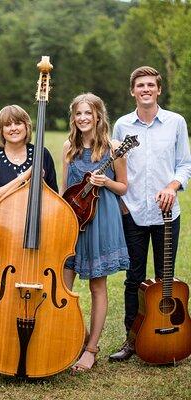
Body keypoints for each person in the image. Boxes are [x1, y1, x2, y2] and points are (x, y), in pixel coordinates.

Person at [109, 66, 191, 361]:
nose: (145, 89)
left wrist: (172, 186)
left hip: (168, 213)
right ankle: (132, 340)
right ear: (132, 91)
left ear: (159, 90)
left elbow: (185, 165)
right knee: (134, 279)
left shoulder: (175, 123)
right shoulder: (122, 126)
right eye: (140, 85)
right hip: (132, 212)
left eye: (151, 85)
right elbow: (118, 167)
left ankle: (166, 333)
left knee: (163, 279)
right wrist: (122, 205)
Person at [61, 93, 130, 373]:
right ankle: (81, 335)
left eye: (88, 113)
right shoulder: (69, 146)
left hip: (101, 219)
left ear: (99, 116)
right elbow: (65, 190)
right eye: (79, 113)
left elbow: (124, 187)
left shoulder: (113, 148)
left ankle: (91, 349)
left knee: (96, 285)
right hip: (73, 221)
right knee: (63, 286)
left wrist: (106, 182)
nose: (83, 118)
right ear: (73, 118)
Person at [0, 104, 58, 284]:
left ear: (27, 126)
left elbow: (54, 198)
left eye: (18, 123)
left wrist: (42, 185)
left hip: (37, 234)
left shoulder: (42, 154)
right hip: (2, 234)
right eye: (7, 125)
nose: (13, 128)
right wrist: (26, 176)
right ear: (1, 130)